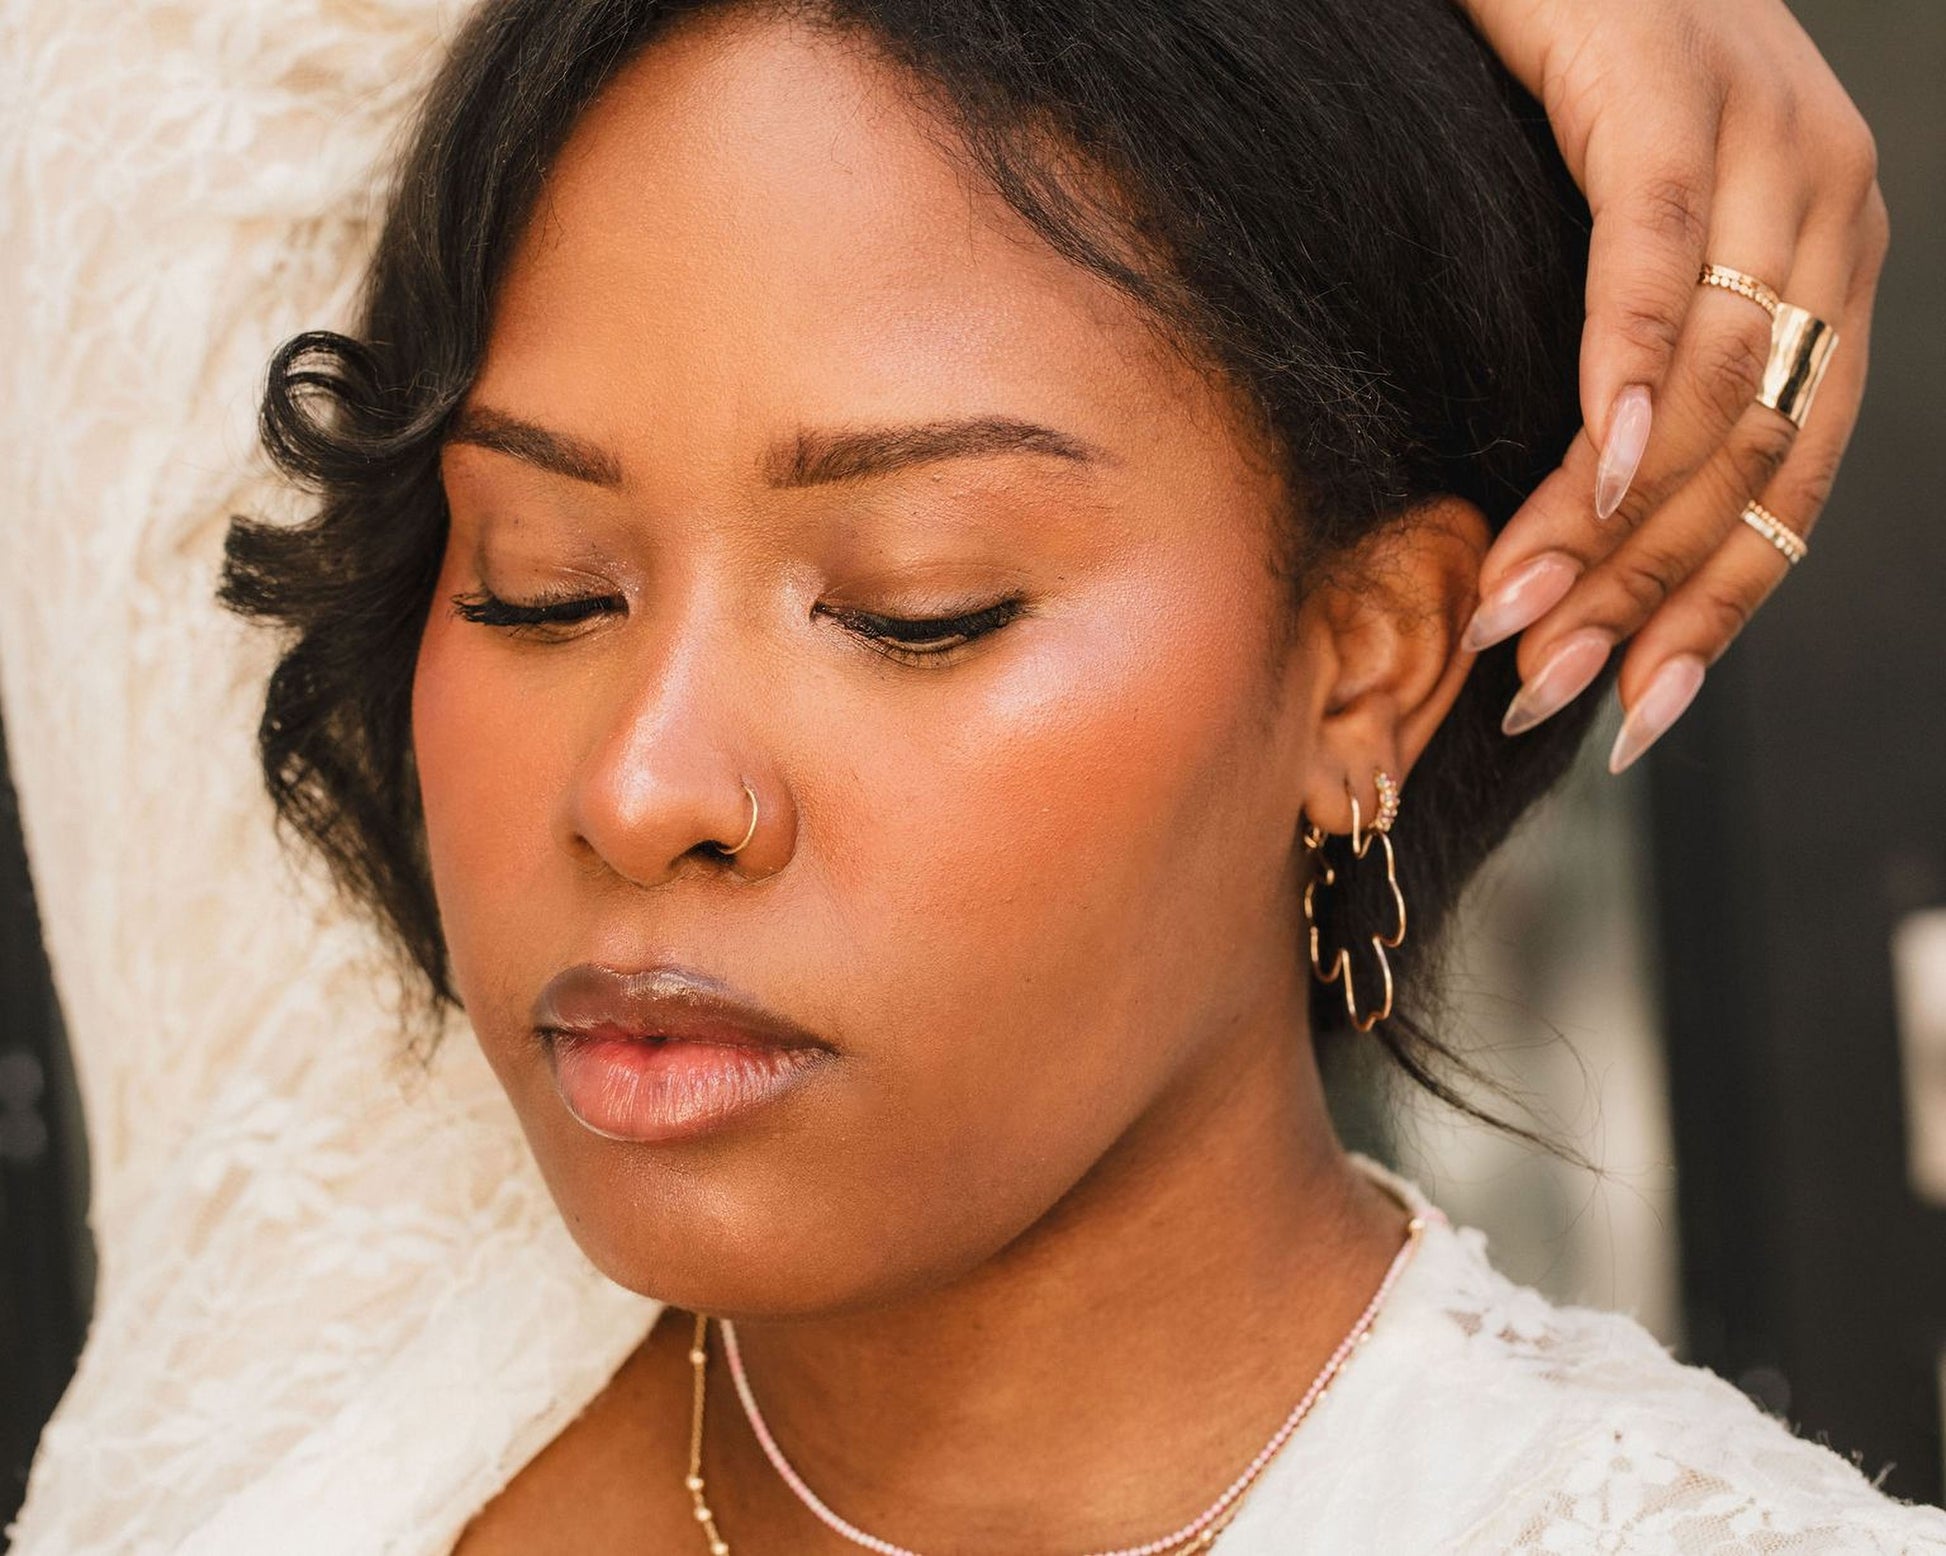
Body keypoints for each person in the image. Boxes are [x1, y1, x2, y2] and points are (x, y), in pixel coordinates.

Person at [0, 1, 1910, 1553]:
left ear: (1364, 662)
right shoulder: (324, 1196)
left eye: (918, 607)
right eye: (539, 586)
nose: (644, 784)